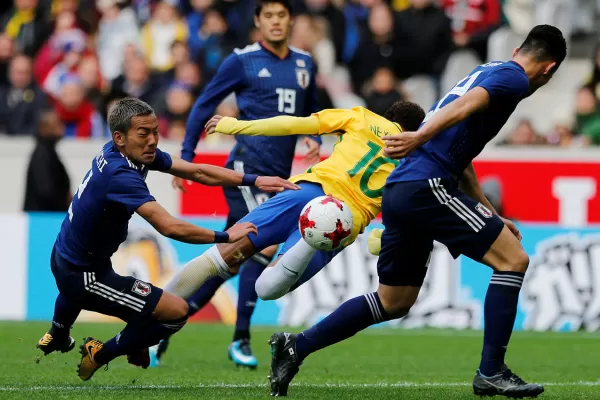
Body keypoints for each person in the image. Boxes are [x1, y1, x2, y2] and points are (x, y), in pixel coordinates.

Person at [266, 24, 567, 397]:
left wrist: (488, 210)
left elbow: (462, 154)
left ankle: (296, 347)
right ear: (549, 69)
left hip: (402, 189)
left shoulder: (487, 70)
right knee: (513, 260)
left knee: (394, 301)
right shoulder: (514, 79)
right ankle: (491, 371)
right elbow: (462, 108)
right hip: (427, 186)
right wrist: (419, 136)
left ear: (520, 46)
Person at [34, 97, 296, 381]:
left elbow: (196, 171)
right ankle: (99, 353)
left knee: (141, 318)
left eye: (156, 131)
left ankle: (60, 333)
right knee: (175, 312)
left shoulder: (121, 152)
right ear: (120, 138)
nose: (152, 140)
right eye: (144, 133)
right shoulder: (120, 174)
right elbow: (169, 227)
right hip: (85, 276)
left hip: (69, 255)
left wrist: (253, 180)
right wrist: (226, 235)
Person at [163, 100, 425, 326]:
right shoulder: (415, 159)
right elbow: (407, 214)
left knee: (217, 257)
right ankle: (310, 240)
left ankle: (153, 310)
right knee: (266, 289)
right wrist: (383, 239)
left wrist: (237, 126)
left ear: (388, 116)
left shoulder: (362, 117)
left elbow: (291, 125)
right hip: (341, 222)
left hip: (305, 192)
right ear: (415, 132)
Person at [161, 0, 321, 368]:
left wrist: (316, 135)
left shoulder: (305, 63)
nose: (276, 22)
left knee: (228, 261)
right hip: (245, 172)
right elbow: (204, 104)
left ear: (290, 20)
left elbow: (313, 110)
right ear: (257, 21)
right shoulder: (242, 60)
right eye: (269, 16)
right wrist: (187, 156)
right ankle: (241, 340)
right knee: (258, 246)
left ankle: (163, 325)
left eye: (282, 15)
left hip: (277, 177)